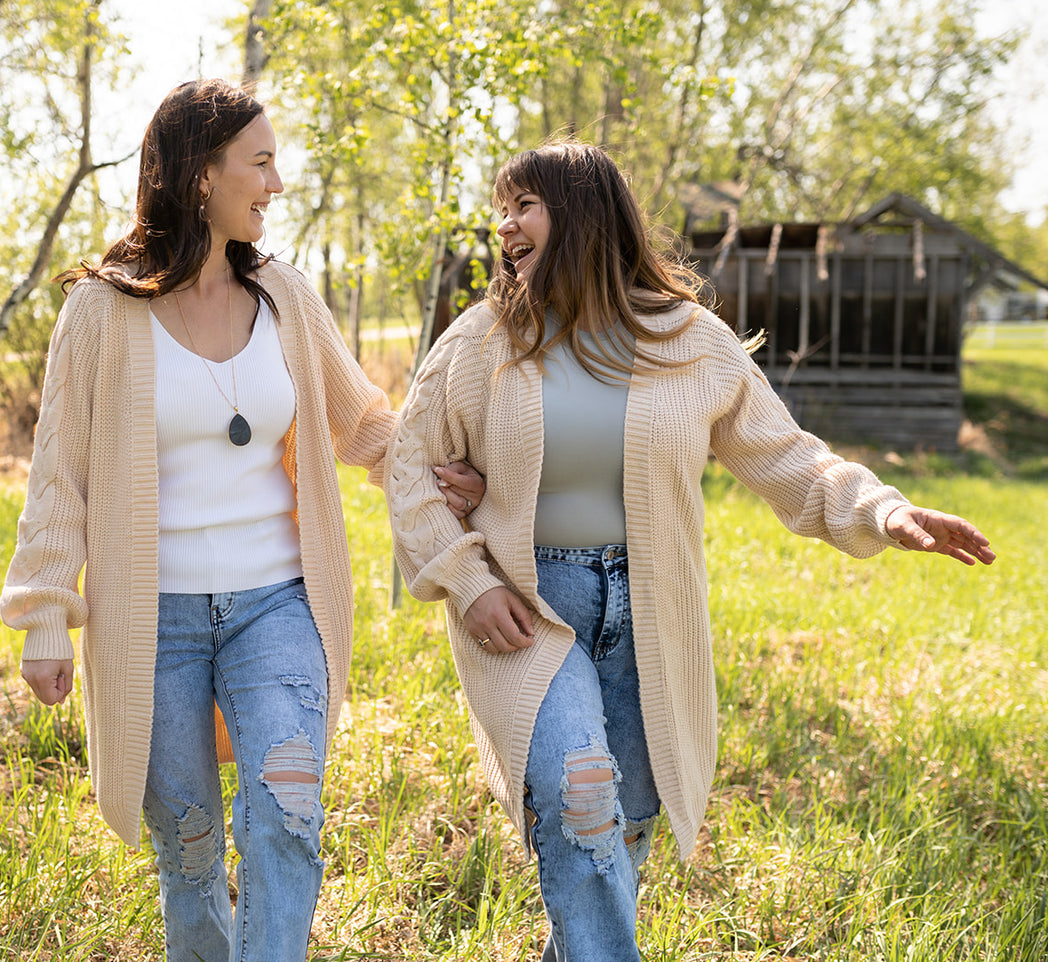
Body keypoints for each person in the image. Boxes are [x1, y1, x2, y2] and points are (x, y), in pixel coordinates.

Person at [385, 139, 996, 961]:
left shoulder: (688, 341)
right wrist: (467, 580)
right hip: (530, 606)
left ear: (581, 213)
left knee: (622, 822)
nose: (504, 227)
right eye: (503, 209)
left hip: (651, 607)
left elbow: (789, 458)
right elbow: (410, 471)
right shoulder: (481, 342)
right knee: (581, 798)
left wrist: (883, 512)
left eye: (523, 205)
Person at [0, 79, 483, 962]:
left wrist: (431, 470)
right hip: (153, 622)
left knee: (289, 813)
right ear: (199, 177)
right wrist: (42, 612)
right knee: (187, 852)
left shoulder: (285, 298)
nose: (277, 183)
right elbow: (57, 473)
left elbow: (363, 421)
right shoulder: (101, 313)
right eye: (260, 162)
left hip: (277, 606)